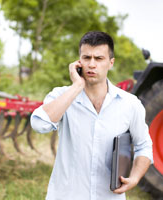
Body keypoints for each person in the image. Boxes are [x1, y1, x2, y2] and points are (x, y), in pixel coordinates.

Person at [30, 31, 153, 200]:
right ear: (78, 62)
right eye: (86, 58)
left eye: (99, 58)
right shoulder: (62, 95)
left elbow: (143, 145)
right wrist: (76, 86)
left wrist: (135, 177)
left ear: (110, 63)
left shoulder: (130, 104)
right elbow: (39, 125)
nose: (92, 64)